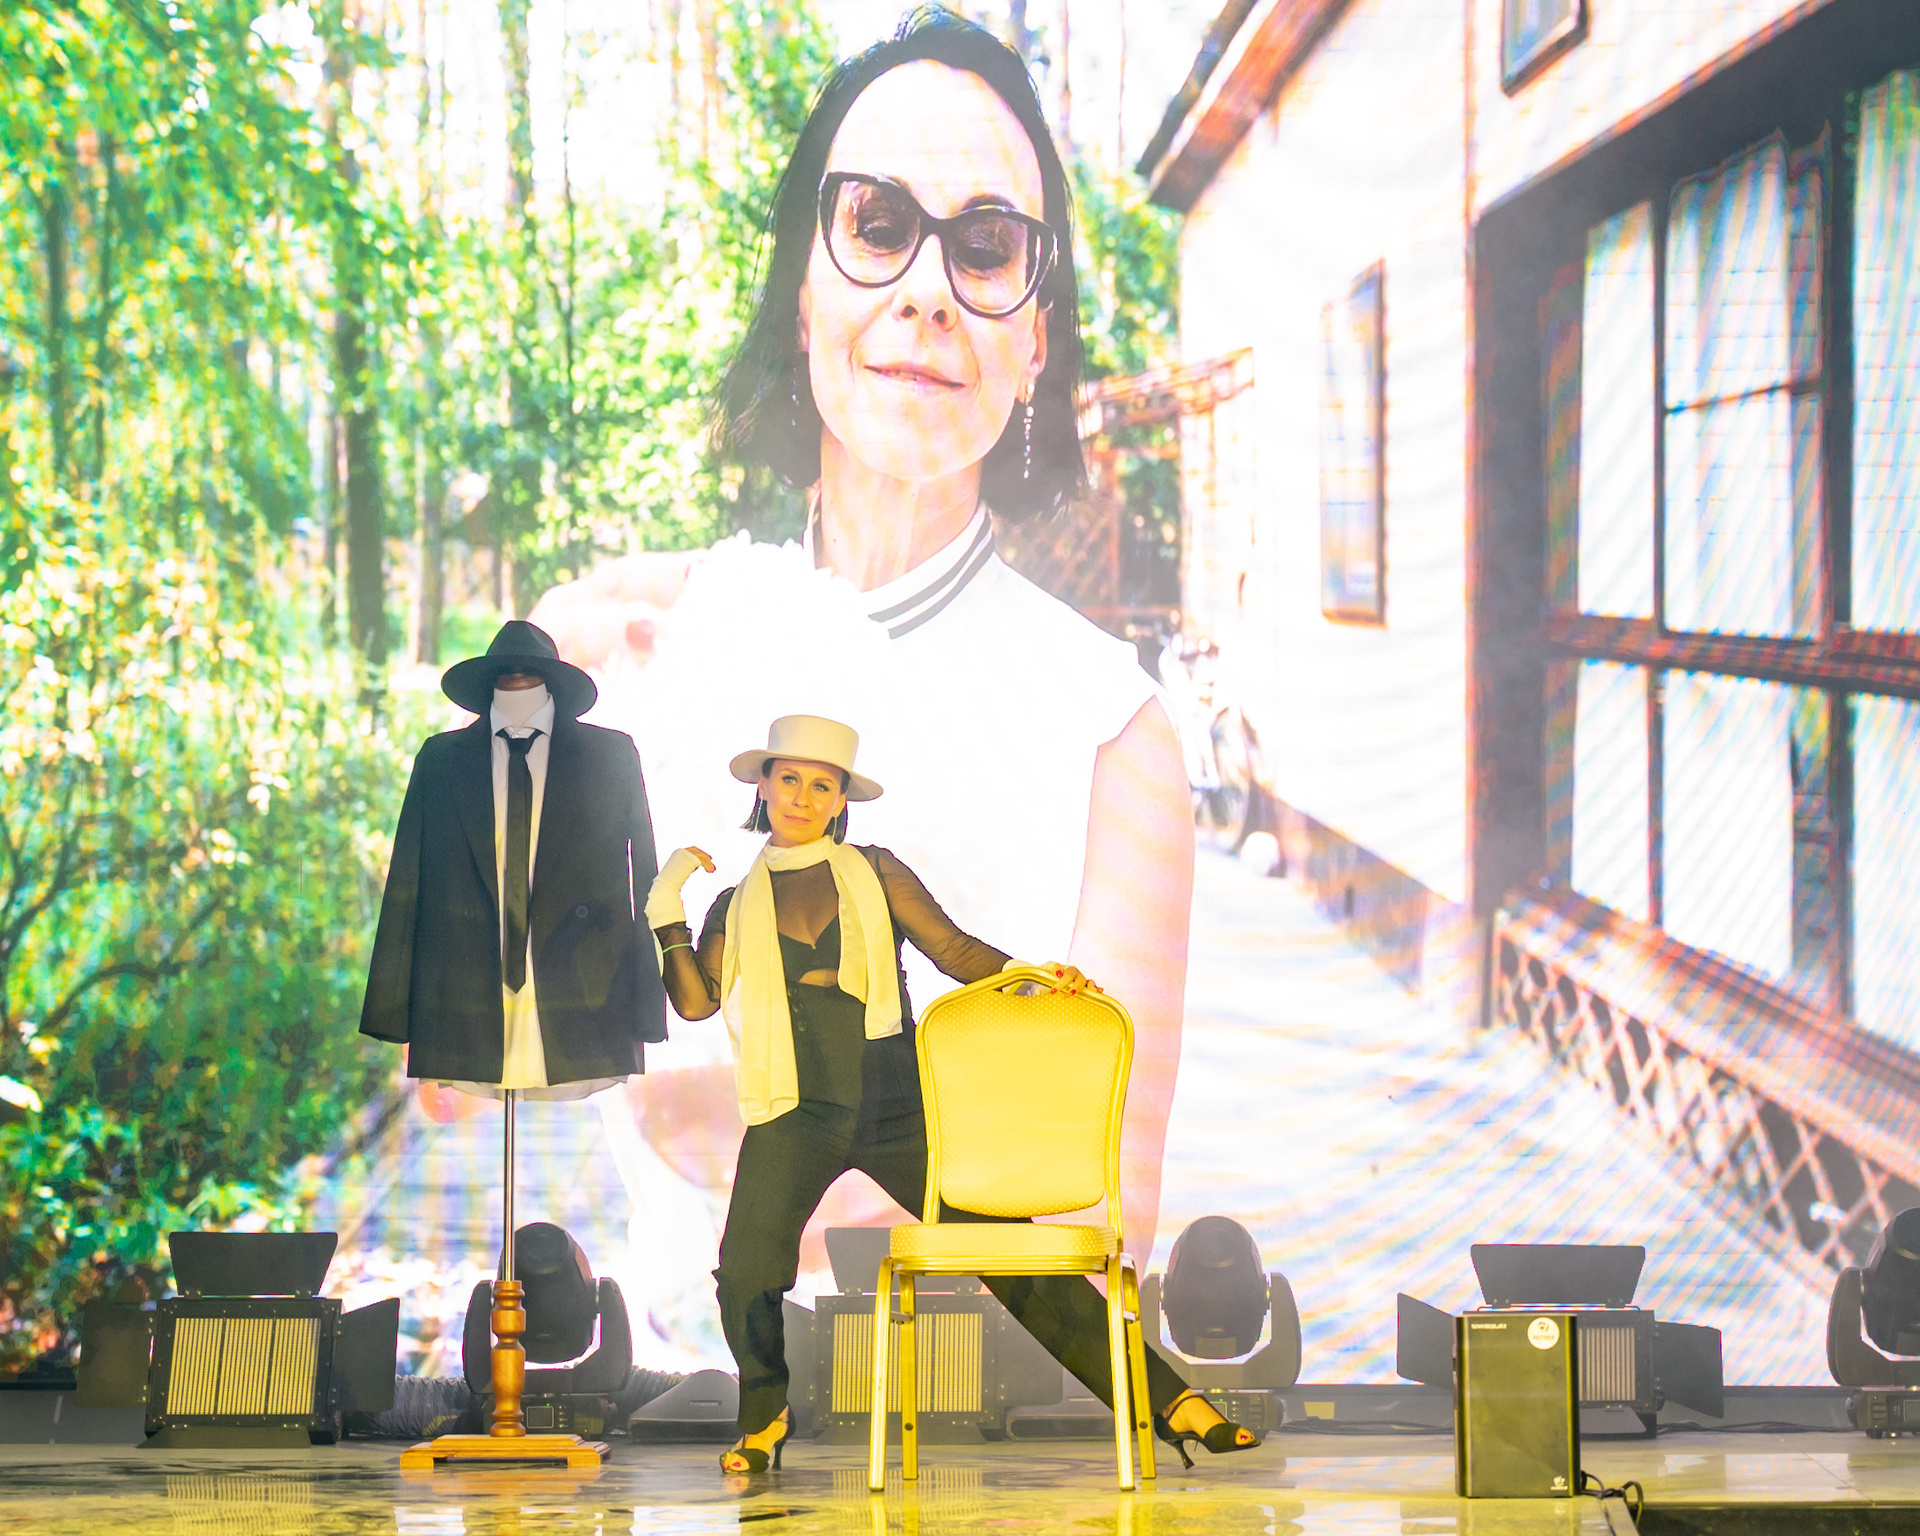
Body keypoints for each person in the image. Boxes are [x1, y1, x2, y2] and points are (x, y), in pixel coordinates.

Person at [529, 8, 1194, 1302]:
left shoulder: (1114, 741)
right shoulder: (645, 648)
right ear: (802, 291)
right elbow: (480, 1041)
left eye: (986, 248)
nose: (928, 292)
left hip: (971, 1412)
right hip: (672, 1413)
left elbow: (1101, 1216)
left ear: (1036, 338)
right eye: (878, 226)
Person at [644, 715, 1252, 1474]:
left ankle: (1170, 1401)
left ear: (840, 801)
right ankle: (764, 1419)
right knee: (744, 1272)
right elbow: (695, 1002)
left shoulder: (876, 871)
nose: (802, 797)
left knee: (1018, 1258)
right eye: (789, 779)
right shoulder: (732, 905)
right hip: (794, 1110)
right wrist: (665, 905)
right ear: (763, 787)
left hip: (898, 1104)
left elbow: (956, 951)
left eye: (821, 785)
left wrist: (1036, 978)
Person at [360, 620, 667, 1093]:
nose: (518, 679)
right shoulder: (441, 760)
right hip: (464, 992)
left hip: (584, 993)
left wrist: (647, 1007)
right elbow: (407, 881)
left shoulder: (610, 755)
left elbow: (645, 876)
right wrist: (390, 1009)